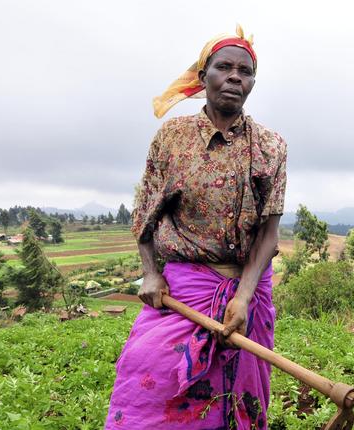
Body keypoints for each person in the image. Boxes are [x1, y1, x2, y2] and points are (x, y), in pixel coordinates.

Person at [104, 25, 287, 429]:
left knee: (240, 398)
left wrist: (241, 298)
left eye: (246, 71)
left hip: (248, 291)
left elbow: (269, 233)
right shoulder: (173, 137)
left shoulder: (271, 145)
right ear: (203, 76)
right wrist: (151, 274)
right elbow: (145, 214)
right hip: (184, 292)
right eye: (224, 67)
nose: (235, 77)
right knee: (150, 385)